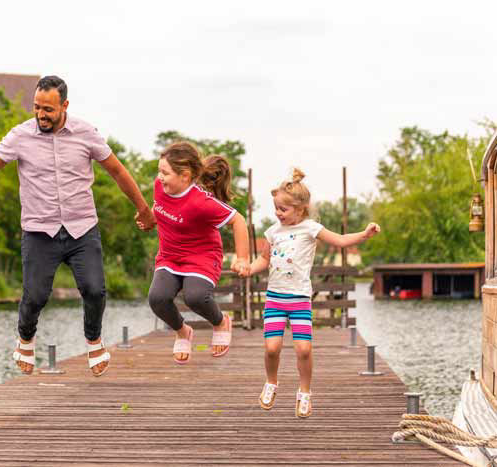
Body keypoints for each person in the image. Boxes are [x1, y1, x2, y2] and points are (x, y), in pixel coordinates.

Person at [0, 75, 156, 377]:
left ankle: (94, 339)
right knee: (35, 295)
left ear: (64, 105)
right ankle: (25, 338)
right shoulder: (20, 136)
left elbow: (117, 171)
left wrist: (143, 208)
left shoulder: (86, 133)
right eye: (37, 107)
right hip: (39, 230)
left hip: (81, 228)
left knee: (95, 290)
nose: (41, 115)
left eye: (48, 109)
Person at [248, 168, 380, 417]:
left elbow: (340, 241)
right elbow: (263, 260)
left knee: (304, 349)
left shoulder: (310, 228)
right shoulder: (272, 232)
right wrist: (248, 269)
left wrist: (364, 234)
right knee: (272, 348)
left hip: (299, 300)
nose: (278, 213)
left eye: (283, 210)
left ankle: (305, 392)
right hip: (275, 299)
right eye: (276, 208)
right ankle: (271, 382)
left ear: (301, 209)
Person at [139, 141, 250, 364]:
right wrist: (151, 218)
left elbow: (237, 220)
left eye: (165, 172)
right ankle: (182, 331)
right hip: (170, 256)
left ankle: (220, 322)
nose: (159, 177)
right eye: (159, 171)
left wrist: (243, 258)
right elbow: (161, 206)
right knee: (157, 299)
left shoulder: (202, 203)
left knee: (195, 296)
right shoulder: (161, 186)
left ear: (185, 176)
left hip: (201, 257)